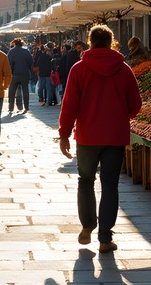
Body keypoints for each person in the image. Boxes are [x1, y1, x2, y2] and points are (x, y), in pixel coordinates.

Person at [58, 24, 143, 254]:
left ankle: (87, 226)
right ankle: (105, 238)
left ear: (89, 41)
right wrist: (119, 114)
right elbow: (136, 105)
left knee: (85, 181)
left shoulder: (78, 69)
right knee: (110, 184)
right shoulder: (124, 69)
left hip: (87, 136)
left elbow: (69, 105)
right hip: (115, 135)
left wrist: (64, 134)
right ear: (111, 41)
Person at [7, 38, 34, 114]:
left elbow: (9, 63)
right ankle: (26, 107)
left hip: (14, 75)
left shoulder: (11, 51)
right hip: (25, 74)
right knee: (25, 91)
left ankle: (11, 108)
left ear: (14, 43)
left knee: (12, 91)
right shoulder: (26, 51)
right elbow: (30, 63)